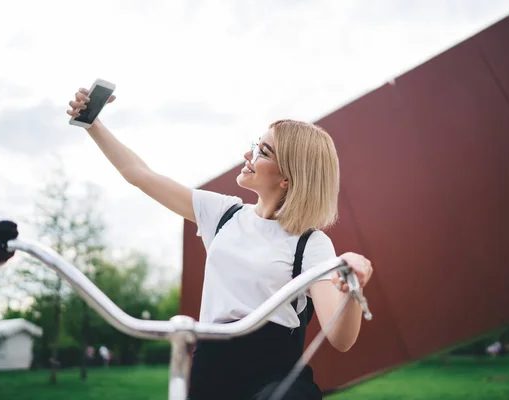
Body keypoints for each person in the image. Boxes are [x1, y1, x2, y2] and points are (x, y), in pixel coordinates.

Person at [66, 88, 375, 399]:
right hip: (212, 366)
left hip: (274, 374)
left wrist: (351, 289)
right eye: (256, 146)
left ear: (288, 178)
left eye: (263, 152)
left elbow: (340, 338)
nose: (248, 155)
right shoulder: (223, 214)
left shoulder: (311, 244)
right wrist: (93, 124)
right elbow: (138, 174)